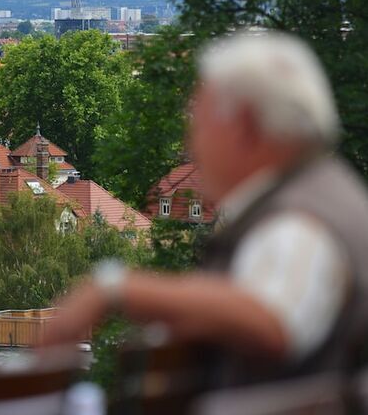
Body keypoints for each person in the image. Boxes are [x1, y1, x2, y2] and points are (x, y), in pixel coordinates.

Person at [44, 30, 368, 389]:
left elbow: (275, 321)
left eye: (200, 124)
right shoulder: (334, 192)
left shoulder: (299, 219)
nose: (189, 142)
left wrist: (117, 289)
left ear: (244, 125)